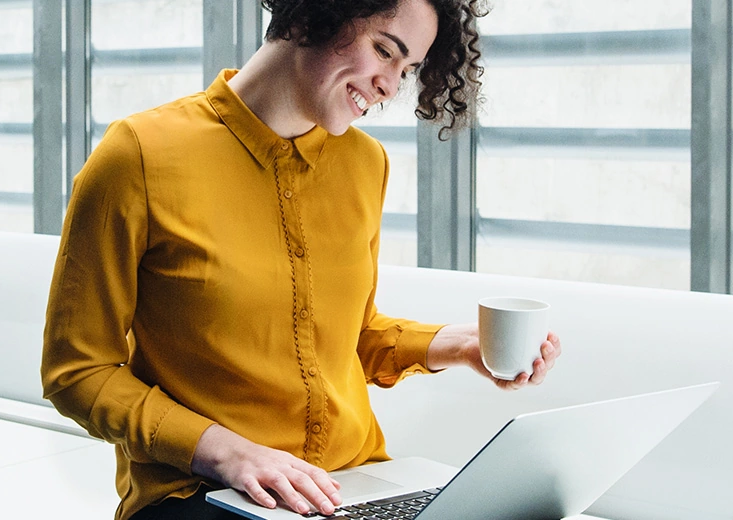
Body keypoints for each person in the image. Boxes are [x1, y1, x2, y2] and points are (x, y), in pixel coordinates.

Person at [40, 1, 557, 519]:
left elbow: (348, 336)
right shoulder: (138, 155)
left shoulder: (364, 164)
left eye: (408, 70)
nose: (389, 87)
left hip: (351, 486)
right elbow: (78, 371)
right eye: (383, 50)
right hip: (201, 493)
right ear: (317, 12)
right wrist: (229, 453)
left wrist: (462, 345)